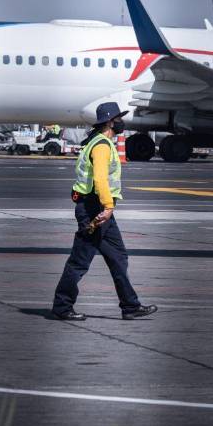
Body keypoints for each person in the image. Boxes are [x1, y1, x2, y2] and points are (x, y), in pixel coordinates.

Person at [51, 102, 157, 321]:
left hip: (97, 208)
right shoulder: (101, 146)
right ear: (110, 121)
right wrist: (108, 207)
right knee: (80, 261)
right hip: (95, 209)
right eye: (119, 118)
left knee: (118, 257)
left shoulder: (97, 142)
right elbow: (100, 179)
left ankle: (130, 305)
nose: (121, 122)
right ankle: (62, 306)